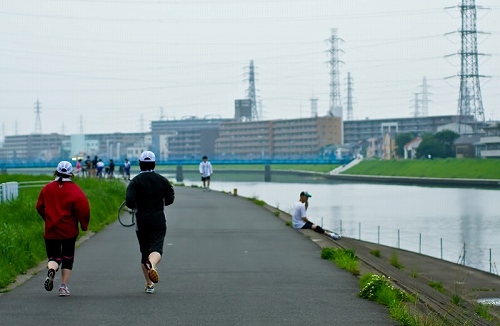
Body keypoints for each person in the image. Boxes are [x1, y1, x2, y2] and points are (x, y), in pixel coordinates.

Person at [35, 161, 90, 297]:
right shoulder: (75, 190)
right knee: (67, 258)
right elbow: (83, 209)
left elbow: (39, 207)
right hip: (69, 230)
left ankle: (51, 270)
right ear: (71, 173)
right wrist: (83, 225)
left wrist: (47, 218)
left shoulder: (47, 188)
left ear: (56, 171)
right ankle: (63, 287)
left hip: (51, 230)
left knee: (53, 257)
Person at [125, 151, 175, 294]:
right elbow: (170, 199)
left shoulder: (135, 181)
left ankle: (149, 284)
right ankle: (152, 264)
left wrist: (135, 206)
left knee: (144, 251)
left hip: (141, 221)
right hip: (158, 220)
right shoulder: (162, 180)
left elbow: (129, 201)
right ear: (154, 163)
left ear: (140, 164)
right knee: (156, 249)